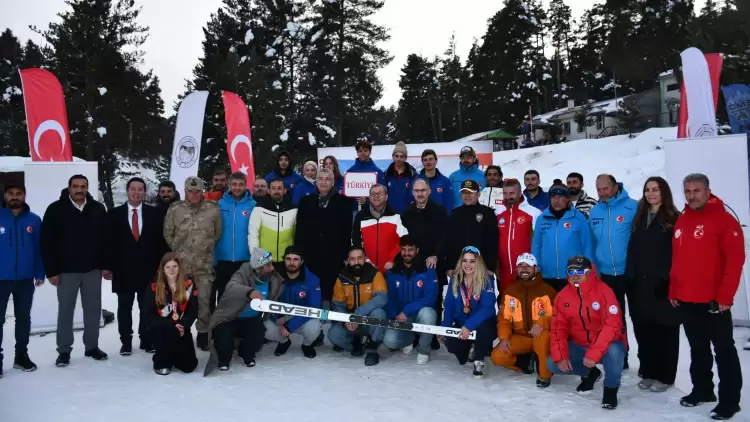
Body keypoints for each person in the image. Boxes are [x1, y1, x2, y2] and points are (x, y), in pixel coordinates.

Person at [670, 173, 744, 420]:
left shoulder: (724, 220)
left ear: (708, 191)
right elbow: (678, 260)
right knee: (698, 348)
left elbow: (735, 261)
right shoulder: (683, 220)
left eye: (697, 190)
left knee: (723, 351)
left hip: (714, 301)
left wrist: (726, 296)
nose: (692, 196)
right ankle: (703, 390)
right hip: (688, 298)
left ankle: (730, 401)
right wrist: (674, 289)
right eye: (687, 191)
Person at [40, 175, 111, 367]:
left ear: (87, 188)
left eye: (83, 186)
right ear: (69, 187)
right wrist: (51, 271)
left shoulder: (97, 209)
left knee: (93, 310)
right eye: (75, 186)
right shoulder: (55, 209)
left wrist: (106, 265)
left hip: (92, 270)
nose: (79, 190)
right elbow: (47, 242)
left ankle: (92, 347)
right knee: (65, 311)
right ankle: (64, 350)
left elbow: (106, 240)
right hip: (66, 271)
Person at [547, 256, 627, 410]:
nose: (575, 275)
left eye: (580, 271)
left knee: (616, 353)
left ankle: (611, 389)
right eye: (571, 272)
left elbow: (613, 324)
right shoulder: (562, 296)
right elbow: (558, 329)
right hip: (580, 344)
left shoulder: (604, 291)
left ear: (589, 272)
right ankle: (590, 373)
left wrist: (594, 353)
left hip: (606, 344)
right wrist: (561, 356)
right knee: (552, 363)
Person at [626, 176, 681, 392]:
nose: (651, 193)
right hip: (640, 284)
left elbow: (678, 255)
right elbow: (633, 249)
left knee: (665, 332)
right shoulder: (640, 217)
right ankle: (649, 371)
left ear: (664, 192)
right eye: (647, 190)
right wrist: (630, 277)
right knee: (645, 330)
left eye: (655, 189)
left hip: (662, 285)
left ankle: (665, 376)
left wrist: (668, 280)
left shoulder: (674, 218)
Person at [163, 176, 222, 351]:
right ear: (185, 191)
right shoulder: (175, 209)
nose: (195, 195)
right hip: (182, 267)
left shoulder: (213, 209)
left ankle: (203, 334)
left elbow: (217, 233)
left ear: (202, 191)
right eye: (191, 191)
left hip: (204, 266)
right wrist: (180, 251)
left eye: (198, 191)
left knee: (204, 303)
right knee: (180, 302)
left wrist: (204, 248)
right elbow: (168, 234)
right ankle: (181, 333)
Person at [205, 248, 284, 374]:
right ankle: (224, 358)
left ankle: (244, 353)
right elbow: (231, 287)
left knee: (258, 336)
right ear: (258, 268)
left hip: (251, 318)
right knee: (223, 341)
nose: (272, 268)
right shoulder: (243, 273)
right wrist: (250, 292)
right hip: (230, 316)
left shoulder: (273, 278)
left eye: (271, 264)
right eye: (268, 265)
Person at [109, 177, 164, 356]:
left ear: (144, 192)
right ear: (128, 190)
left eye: (140, 189)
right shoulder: (114, 214)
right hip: (122, 270)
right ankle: (126, 341)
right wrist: (107, 266)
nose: (136, 192)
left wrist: (161, 267)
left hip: (148, 270)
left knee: (147, 307)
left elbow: (160, 242)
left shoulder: (154, 214)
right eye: (133, 189)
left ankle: (146, 339)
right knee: (124, 308)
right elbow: (108, 243)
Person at [590, 174, 637, 368]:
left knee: (638, 317)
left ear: (616, 187)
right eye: (598, 189)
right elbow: (592, 243)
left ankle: (646, 360)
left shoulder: (633, 207)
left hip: (631, 272)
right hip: (606, 274)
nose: (602, 193)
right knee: (613, 318)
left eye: (605, 188)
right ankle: (620, 357)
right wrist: (596, 269)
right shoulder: (595, 211)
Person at [490, 253, 557, 387]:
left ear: (535, 269)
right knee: (497, 356)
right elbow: (504, 319)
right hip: (520, 337)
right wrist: (503, 338)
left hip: (540, 335)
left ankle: (545, 375)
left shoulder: (547, 290)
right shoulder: (511, 291)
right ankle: (525, 363)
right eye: (521, 265)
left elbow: (557, 315)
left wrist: (542, 324)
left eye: (528, 266)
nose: (524, 269)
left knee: (543, 340)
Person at [0, 183, 44, 375]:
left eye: (19, 193)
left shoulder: (34, 220)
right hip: (1, 278)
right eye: (11, 193)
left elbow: (39, 249)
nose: (15, 197)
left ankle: (21, 356)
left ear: (24, 196)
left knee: (24, 319)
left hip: (25, 279)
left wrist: (39, 273)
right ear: (5, 196)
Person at [295, 168, 352, 303]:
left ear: (333, 182)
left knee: (331, 292)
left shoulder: (344, 202)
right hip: (311, 255)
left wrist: (345, 255)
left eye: (328, 179)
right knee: (312, 290)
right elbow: (300, 230)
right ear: (316, 181)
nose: (324, 182)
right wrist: (299, 253)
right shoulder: (305, 201)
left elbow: (347, 231)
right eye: (320, 178)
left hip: (334, 256)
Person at [440, 246, 497, 379]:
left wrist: (469, 326)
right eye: (465, 260)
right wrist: (443, 329)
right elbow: (449, 306)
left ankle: (479, 360)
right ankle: (470, 347)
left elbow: (487, 308)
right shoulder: (455, 279)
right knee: (458, 354)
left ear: (478, 263)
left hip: (481, 323)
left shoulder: (487, 279)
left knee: (485, 329)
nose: (468, 265)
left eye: (472, 261)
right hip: (462, 322)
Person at [382, 235, 438, 364]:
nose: (406, 253)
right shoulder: (392, 272)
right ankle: (408, 339)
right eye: (404, 249)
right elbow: (390, 298)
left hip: (419, 314)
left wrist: (406, 311)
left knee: (428, 314)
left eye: (410, 249)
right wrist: (395, 316)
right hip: (401, 317)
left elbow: (430, 298)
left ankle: (423, 349)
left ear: (417, 250)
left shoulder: (428, 271)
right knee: (389, 340)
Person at [329, 246, 388, 366]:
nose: (356, 262)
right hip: (351, 321)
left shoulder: (375, 274)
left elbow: (382, 298)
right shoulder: (341, 278)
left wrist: (358, 313)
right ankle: (356, 345)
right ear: (348, 261)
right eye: (352, 259)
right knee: (333, 334)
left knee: (379, 314)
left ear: (365, 258)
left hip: (368, 318)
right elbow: (338, 305)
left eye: (359, 258)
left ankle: (372, 349)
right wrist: (345, 319)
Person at [531, 183, 594, 292]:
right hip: (547, 275)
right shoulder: (542, 219)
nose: (557, 200)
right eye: (553, 197)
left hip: (572, 274)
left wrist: (589, 270)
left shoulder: (578, 218)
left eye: (560, 197)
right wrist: (537, 268)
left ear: (567, 198)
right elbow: (536, 245)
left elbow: (587, 245)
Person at [145, 253, 199, 375]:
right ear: (163, 269)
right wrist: (169, 325)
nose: (171, 270)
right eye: (168, 267)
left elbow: (193, 309)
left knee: (189, 366)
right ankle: (161, 362)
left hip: (181, 328)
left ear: (180, 268)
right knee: (169, 332)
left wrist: (183, 325)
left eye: (175, 266)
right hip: (161, 329)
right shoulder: (154, 286)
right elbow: (148, 313)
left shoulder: (189, 284)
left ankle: (174, 356)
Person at [265, 247, 323, 358]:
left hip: (302, 317)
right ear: (284, 260)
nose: (291, 263)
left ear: (301, 261)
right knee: (264, 327)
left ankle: (307, 345)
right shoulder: (275, 277)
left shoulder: (312, 279)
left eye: (296, 259)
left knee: (314, 327)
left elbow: (314, 307)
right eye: (288, 259)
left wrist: (289, 325)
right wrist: (276, 317)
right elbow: (269, 301)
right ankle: (284, 342)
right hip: (282, 316)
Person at [437, 180, 498, 280]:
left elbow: (492, 242)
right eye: (464, 192)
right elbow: (448, 242)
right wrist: (449, 266)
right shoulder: (455, 214)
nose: (467, 195)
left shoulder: (488, 214)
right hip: (459, 268)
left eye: (471, 192)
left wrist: (490, 267)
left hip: (482, 268)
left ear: (478, 194)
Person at [214, 172, 256, 304]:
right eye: (234, 184)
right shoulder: (220, 204)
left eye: (240, 184)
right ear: (229, 185)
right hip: (223, 258)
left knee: (243, 295)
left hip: (244, 258)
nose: (237, 187)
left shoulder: (253, 205)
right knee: (223, 293)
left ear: (245, 185)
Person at [495, 178, 542, 294]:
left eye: (512, 193)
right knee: (506, 301)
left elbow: (540, 241)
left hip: (526, 270)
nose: (508, 197)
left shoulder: (533, 213)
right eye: (505, 193)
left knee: (526, 299)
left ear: (520, 193)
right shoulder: (497, 213)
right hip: (504, 271)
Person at [351, 184, 408, 273]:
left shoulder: (396, 216)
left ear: (386, 197)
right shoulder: (360, 216)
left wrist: (392, 260)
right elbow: (356, 241)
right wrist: (366, 260)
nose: (376, 196)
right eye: (373, 194)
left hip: (391, 268)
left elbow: (403, 240)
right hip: (368, 269)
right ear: (369, 197)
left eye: (380, 193)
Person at [249, 179, 297, 262]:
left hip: (287, 260)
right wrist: (257, 257)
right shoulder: (259, 208)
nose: (276, 191)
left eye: (279, 188)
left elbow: (297, 235)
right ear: (268, 191)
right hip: (265, 260)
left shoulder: (293, 209)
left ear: (285, 191)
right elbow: (253, 234)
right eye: (273, 188)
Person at [345, 139, 385, 208]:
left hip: (372, 209)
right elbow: (346, 193)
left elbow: (382, 193)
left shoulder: (378, 172)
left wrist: (367, 201)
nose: (363, 153)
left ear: (370, 152)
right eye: (360, 151)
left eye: (365, 150)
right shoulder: (350, 171)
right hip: (354, 209)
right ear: (357, 153)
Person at [384, 141, 416, 213]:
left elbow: (415, 196)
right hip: (390, 214)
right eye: (396, 156)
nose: (399, 159)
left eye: (402, 156)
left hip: (408, 214)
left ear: (405, 158)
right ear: (393, 157)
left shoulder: (413, 175)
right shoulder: (386, 175)